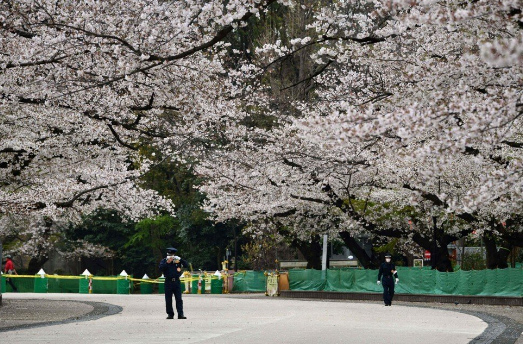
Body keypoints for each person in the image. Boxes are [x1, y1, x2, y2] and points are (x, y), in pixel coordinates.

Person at [159, 247, 189, 319]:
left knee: (179, 299)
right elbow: (160, 268)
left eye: (172, 255)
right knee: (168, 299)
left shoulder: (177, 261)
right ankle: (170, 314)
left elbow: (186, 265)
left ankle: (180, 314)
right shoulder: (164, 261)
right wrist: (167, 262)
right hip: (168, 281)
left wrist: (180, 259)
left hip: (176, 281)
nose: (171, 257)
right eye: (170, 255)